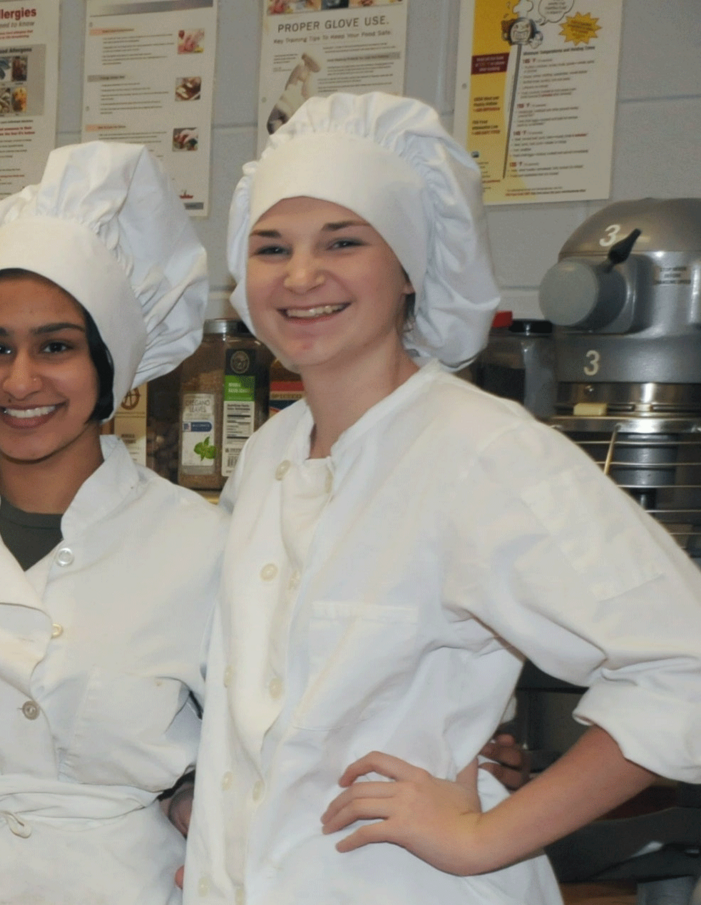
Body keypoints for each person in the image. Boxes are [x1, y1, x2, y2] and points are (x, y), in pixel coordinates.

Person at [182, 92, 701, 904]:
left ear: (408, 268)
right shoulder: (271, 452)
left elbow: (685, 663)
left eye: (343, 242)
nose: (301, 275)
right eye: (271, 247)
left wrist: (483, 835)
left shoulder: (481, 450)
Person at [0, 141, 219, 905]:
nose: (19, 381)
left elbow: (266, 728)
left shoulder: (197, 540)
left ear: (107, 366)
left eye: (55, 347)